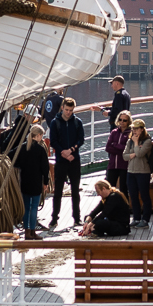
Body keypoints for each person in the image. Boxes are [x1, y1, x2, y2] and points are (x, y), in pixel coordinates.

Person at [48, 97, 86, 229]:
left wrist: (71, 150)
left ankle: (77, 218)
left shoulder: (77, 122)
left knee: (75, 191)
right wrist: (63, 152)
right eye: (66, 110)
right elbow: (53, 141)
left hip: (74, 159)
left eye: (70, 110)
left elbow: (81, 139)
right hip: (61, 161)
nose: (68, 112)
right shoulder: (55, 123)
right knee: (57, 191)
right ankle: (54, 218)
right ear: (62, 108)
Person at [14, 122, 52, 239]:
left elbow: (13, 159)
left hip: (25, 180)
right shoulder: (40, 150)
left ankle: (26, 233)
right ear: (38, 135)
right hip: (36, 181)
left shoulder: (22, 147)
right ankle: (33, 232)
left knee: (26, 206)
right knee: (34, 207)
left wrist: (21, 166)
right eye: (41, 135)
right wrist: (45, 182)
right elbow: (45, 168)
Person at [124, 122, 153, 228]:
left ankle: (145, 219)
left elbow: (140, 154)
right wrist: (135, 151)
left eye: (136, 128)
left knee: (144, 196)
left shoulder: (147, 141)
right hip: (131, 171)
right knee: (133, 196)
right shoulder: (130, 141)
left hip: (143, 172)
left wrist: (135, 145)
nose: (134, 131)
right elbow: (124, 156)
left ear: (142, 129)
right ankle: (136, 218)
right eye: (133, 128)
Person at [104, 110, 132, 184]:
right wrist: (122, 150)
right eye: (120, 119)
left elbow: (128, 149)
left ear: (128, 121)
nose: (122, 122)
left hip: (124, 165)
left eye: (124, 120)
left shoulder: (130, 133)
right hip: (112, 165)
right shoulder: (114, 132)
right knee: (110, 187)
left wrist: (115, 145)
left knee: (124, 188)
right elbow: (107, 148)